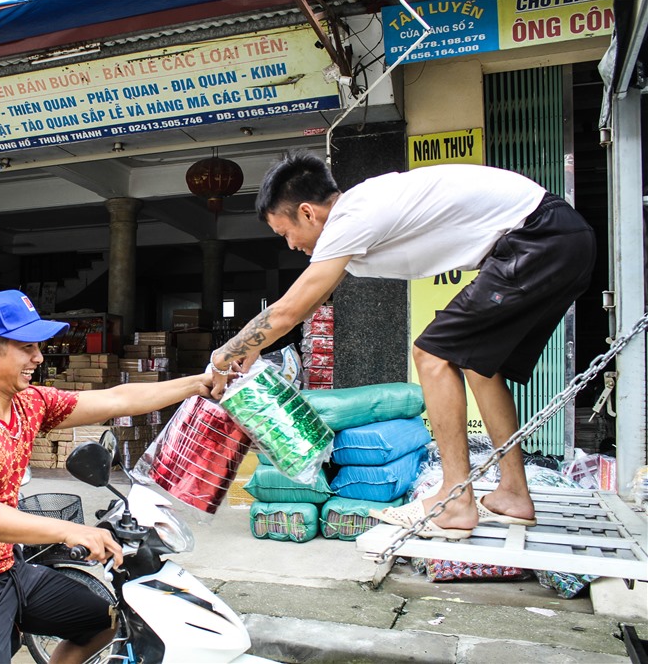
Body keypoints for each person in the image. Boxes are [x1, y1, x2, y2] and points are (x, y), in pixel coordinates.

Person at [209, 151, 595, 539]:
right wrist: (254, 347)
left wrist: (228, 353)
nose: (290, 245)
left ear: (308, 213)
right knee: (477, 365)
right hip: (556, 239)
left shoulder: (351, 216)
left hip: (537, 238)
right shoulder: (359, 217)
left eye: (285, 233)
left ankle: (456, 499)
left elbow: (288, 311)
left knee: (432, 353)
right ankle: (513, 493)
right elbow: (306, 304)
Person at [0, 289, 214, 662]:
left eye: (38, 346)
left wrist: (200, 383)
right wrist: (71, 529)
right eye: (26, 347)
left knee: (103, 619)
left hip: (7, 569)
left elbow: (116, 400)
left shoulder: (27, 403)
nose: (38, 357)